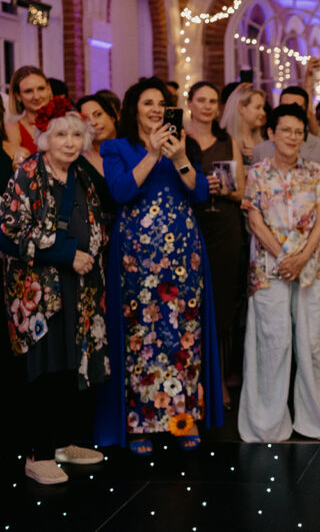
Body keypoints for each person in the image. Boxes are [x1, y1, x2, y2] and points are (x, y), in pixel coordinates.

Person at [93, 78, 224, 454]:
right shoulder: (116, 147)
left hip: (184, 256)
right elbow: (121, 192)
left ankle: (182, 421)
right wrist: (152, 154)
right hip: (137, 258)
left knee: (184, 333)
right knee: (141, 336)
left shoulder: (183, 145)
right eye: (148, 103)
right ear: (134, 107)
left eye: (161, 103)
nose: (154, 109)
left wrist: (180, 157)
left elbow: (199, 193)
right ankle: (139, 425)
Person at [1, 98, 109, 484]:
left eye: (76, 134)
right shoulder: (28, 174)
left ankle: (63, 444)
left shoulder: (81, 172)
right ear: (45, 138)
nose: (69, 142)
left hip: (79, 288)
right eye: (61, 134)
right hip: (38, 292)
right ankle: (37, 454)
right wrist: (68, 254)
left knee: (69, 365)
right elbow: (9, 235)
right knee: (42, 369)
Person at [237, 103, 320, 442]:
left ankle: (313, 418)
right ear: (271, 133)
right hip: (269, 268)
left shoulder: (314, 171)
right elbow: (254, 219)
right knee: (273, 341)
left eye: (299, 132)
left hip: (310, 267)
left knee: (315, 342)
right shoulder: (258, 172)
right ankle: (267, 424)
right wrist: (284, 256)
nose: (293, 137)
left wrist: (301, 258)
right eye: (286, 130)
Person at [184, 81, 246, 409]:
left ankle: (218, 380)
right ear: (190, 103)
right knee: (190, 306)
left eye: (213, 101)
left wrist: (223, 188)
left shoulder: (227, 142)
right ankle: (192, 383)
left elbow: (240, 192)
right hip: (190, 225)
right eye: (202, 100)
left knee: (221, 307)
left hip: (224, 226)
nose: (208, 106)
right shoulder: (179, 141)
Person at [254, 87, 320, 259]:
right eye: (285, 106)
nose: (290, 111)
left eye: (296, 106)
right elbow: (253, 216)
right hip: (268, 253)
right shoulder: (260, 154)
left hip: (310, 252)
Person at [75, 94, 119, 220]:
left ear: (112, 116)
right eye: (86, 119)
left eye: (98, 114)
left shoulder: (131, 149)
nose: (93, 123)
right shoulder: (79, 159)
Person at [5, 66, 53, 164]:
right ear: (18, 96)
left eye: (41, 88)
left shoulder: (64, 121)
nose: (36, 96)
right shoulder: (13, 128)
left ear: (48, 89)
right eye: (28, 91)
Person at [220, 83, 267, 167]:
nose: (263, 112)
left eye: (263, 108)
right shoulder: (223, 143)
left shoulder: (265, 143)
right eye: (258, 107)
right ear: (241, 108)